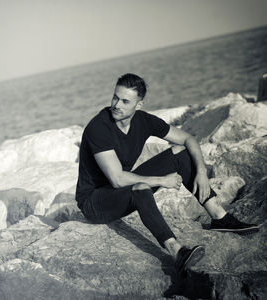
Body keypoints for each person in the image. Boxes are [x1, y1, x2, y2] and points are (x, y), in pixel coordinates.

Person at [75, 73, 259, 275]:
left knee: (179, 153)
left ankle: (219, 216)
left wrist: (202, 173)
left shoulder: (144, 121)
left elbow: (188, 139)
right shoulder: (98, 128)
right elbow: (117, 179)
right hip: (95, 201)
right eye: (115, 97)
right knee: (141, 187)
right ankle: (177, 251)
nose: (117, 104)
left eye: (125, 101)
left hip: (121, 188)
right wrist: (161, 181)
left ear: (139, 105)